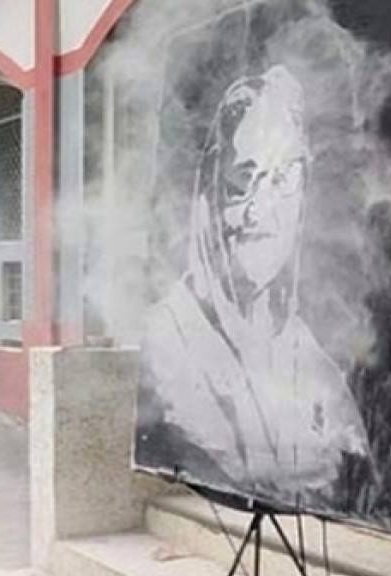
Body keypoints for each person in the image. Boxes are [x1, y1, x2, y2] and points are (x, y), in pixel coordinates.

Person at [135, 65, 370, 511]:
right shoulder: (166, 339)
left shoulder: (304, 352)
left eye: (282, 180)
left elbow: (353, 467)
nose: (259, 211)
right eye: (242, 182)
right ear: (209, 194)